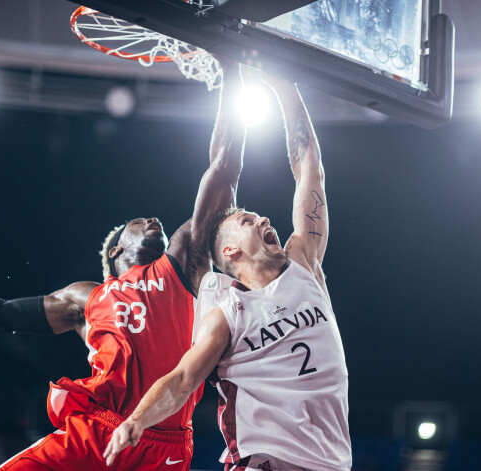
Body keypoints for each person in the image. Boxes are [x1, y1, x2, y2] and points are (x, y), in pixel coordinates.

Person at [0, 60, 246, 471]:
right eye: (138, 222)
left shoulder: (183, 267)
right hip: (96, 432)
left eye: (155, 223)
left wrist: (233, 71)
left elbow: (223, 170)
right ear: (115, 251)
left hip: (164, 440)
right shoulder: (86, 297)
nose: (152, 220)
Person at [105, 76, 352, 471]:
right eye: (247, 219)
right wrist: (136, 420)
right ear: (231, 251)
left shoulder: (304, 264)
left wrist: (286, 85)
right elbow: (184, 377)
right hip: (266, 463)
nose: (263, 218)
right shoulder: (227, 311)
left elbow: (310, 170)